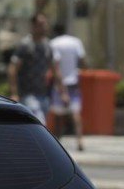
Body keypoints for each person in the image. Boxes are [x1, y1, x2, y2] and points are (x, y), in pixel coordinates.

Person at [9, 13, 66, 124]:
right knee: (40, 123)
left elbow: (55, 70)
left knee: (36, 126)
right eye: (41, 24)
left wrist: (63, 92)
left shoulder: (48, 46)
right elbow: (12, 69)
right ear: (34, 26)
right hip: (28, 94)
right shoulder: (25, 45)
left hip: (43, 95)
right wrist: (14, 93)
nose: (44, 27)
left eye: (45, 24)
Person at [50, 23, 87, 151]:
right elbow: (82, 60)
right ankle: (80, 140)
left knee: (59, 115)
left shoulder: (53, 43)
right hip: (73, 81)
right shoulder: (75, 42)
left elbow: (55, 66)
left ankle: (57, 143)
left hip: (60, 83)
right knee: (75, 112)